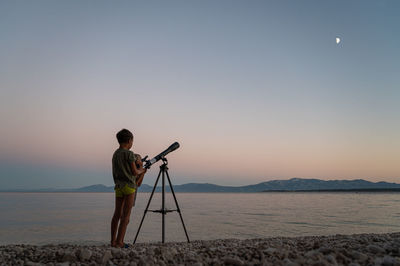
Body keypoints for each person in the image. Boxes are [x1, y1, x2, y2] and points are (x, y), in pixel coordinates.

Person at [111, 129, 146, 248]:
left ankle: (113, 241)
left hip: (118, 186)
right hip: (129, 187)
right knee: (126, 216)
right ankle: (120, 242)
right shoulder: (129, 154)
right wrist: (142, 169)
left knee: (117, 214)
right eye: (132, 141)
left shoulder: (116, 154)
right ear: (129, 140)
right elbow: (134, 172)